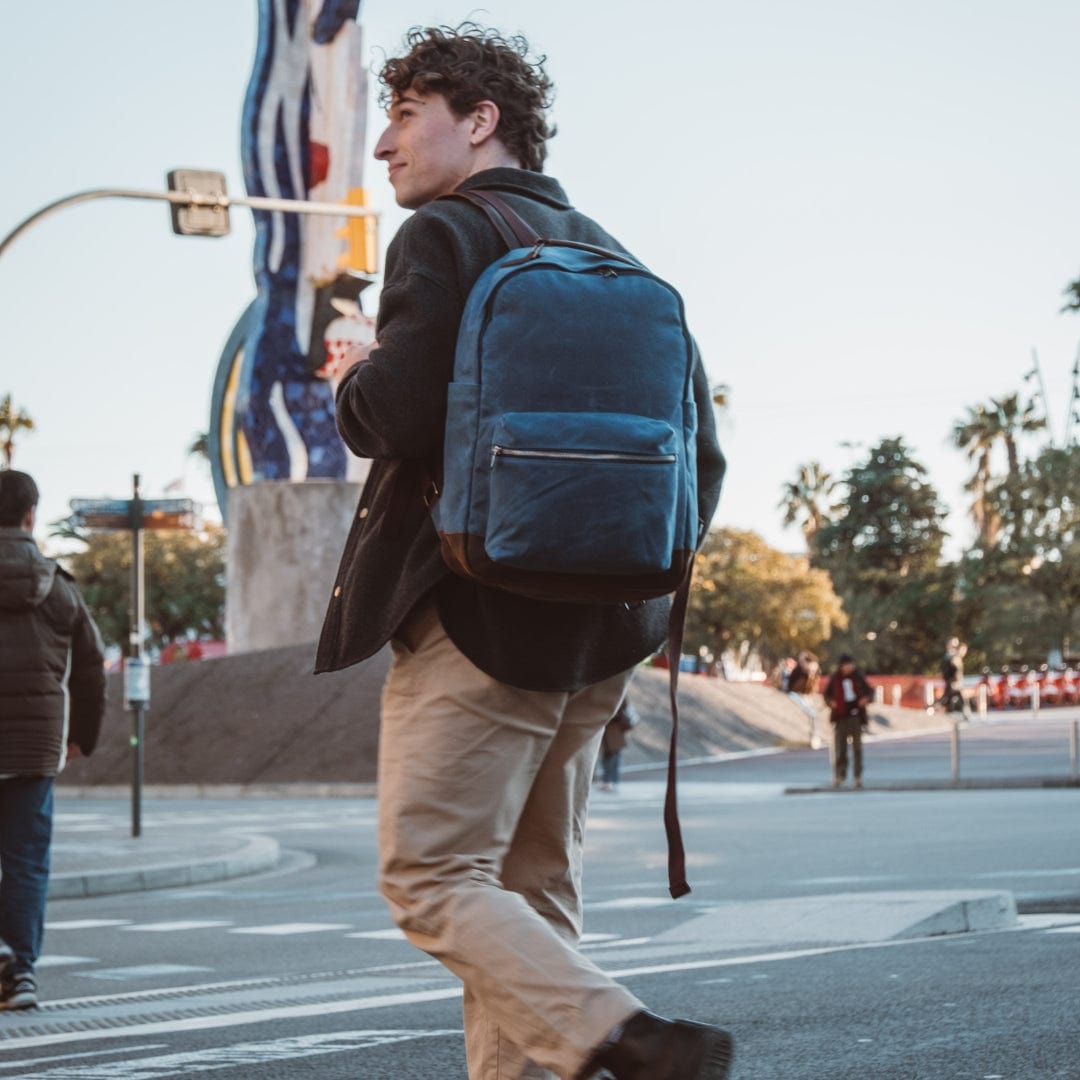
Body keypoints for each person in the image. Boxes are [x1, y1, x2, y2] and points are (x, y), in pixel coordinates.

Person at [314, 23, 731, 1080]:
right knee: (530, 894)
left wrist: (352, 377)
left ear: (480, 121)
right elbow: (704, 457)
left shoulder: (445, 235)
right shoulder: (615, 254)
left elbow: (396, 414)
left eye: (405, 115)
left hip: (478, 620)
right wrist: (611, 580)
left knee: (431, 877)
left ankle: (623, 1035)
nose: (384, 144)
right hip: (604, 636)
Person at [0, 470, 105, 1011]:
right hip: (34, 750)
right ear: (30, 516)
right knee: (25, 861)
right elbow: (91, 668)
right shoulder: (59, 588)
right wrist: (81, 736)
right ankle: (21, 972)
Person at [824, 654, 872, 789]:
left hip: (856, 716)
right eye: (847, 665)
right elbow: (827, 695)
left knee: (857, 749)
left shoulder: (858, 677)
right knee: (841, 749)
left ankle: (858, 777)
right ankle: (840, 776)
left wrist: (865, 699)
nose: (849, 667)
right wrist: (831, 702)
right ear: (842, 666)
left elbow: (869, 692)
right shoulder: (835, 679)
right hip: (840, 717)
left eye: (851, 665)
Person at [599, 698, 640, 793]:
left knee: (613, 758)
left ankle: (611, 782)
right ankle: (608, 781)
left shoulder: (617, 695)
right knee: (607, 758)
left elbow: (624, 706)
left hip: (614, 730)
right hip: (607, 731)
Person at [786, 650, 822, 748]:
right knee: (812, 713)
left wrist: (811, 672)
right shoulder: (797, 670)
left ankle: (814, 737)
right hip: (795, 694)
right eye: (800, 659)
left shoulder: (813, 670)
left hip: (807, 695)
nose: (802, 661)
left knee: (813, 714)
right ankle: (812, 737)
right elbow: (791, 686)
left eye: (804, 659)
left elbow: (813, 686)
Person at [939, 637, 973, 722]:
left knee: (949, 699)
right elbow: (948, 671)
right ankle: (934, 710)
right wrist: (952, 681)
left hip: (956, 683)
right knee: (947, 699)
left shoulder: (955, 657)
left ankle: (963, 714)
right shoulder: (949, 658)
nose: (955, 647)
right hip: (952, 683)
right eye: (953, 644)